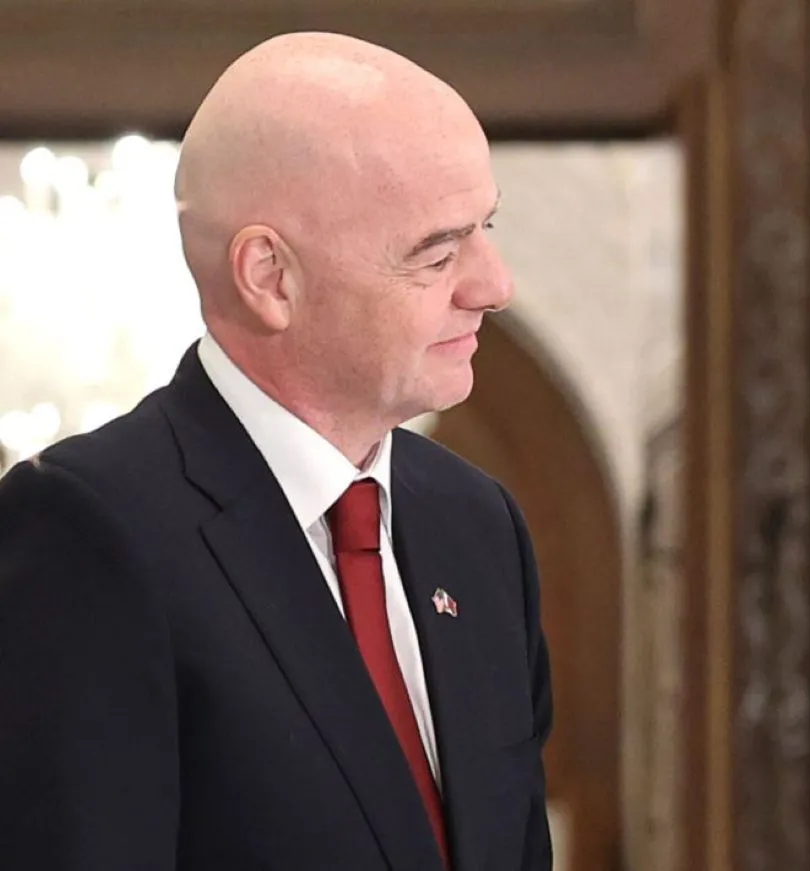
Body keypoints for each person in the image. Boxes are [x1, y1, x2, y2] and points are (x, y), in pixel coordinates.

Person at [0, 32, 552, 870]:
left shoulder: (480, 525)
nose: (494, 284)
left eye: (486, 228)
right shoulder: (91, 531)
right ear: (269, 276)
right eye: (439, 252)